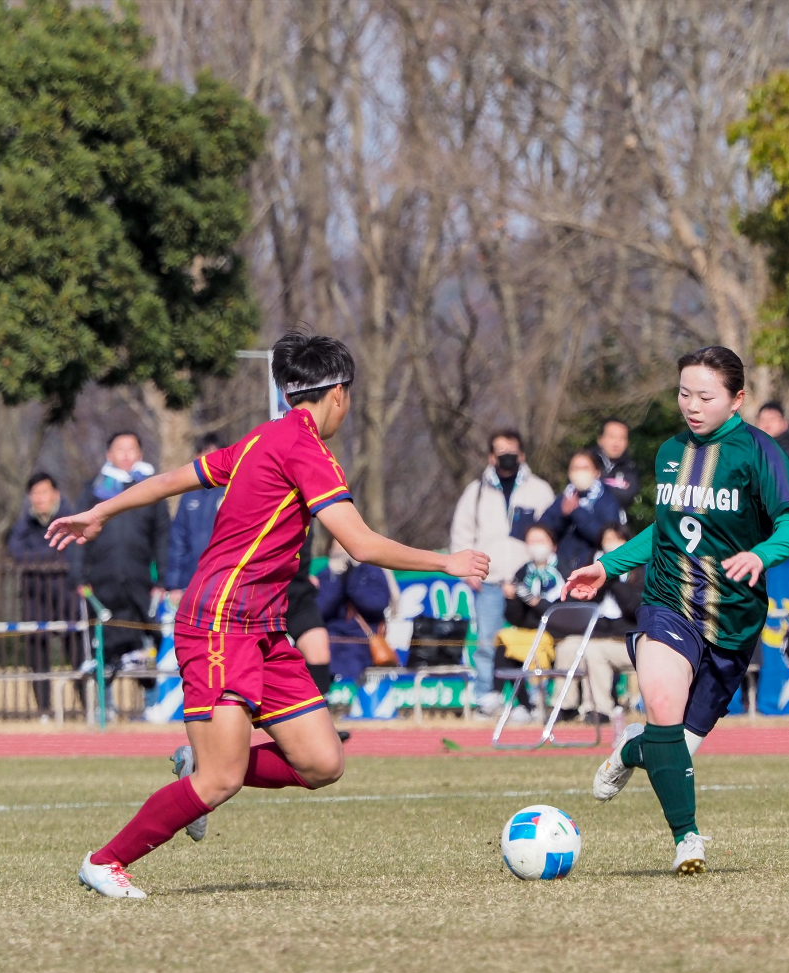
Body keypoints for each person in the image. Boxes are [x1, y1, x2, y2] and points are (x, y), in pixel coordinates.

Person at [49, 330, 489, 899]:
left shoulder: (263, 438)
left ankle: (195, 763)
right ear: (338, 394)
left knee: (323, 762)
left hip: (263, 627)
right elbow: (359, 543)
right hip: (217, 623)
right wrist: (445, 561)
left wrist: (101, 510)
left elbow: (171, 479)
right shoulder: (305, 449)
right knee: (221, 778)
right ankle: (106, 861)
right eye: (348, 397)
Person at [563, 345, 789, 875]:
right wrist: (606, 565)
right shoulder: (671, 451)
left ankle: (633, 749)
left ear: (737, 400)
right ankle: (687, 840)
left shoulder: (760, 453)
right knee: (664, 703)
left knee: (676, 748)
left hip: (733, 621)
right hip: (669, 602)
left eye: (706, 396)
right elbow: (666, 532)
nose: (691, 405)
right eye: (684, 393)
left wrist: (759, 555)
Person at [449, 430, 555, 715]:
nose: (506, 454)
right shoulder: (476, 491)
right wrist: (467, 571)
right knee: (487, 641)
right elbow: (461, 534)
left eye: (511, 449)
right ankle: (487, 697)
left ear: (521, 454)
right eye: (500, 449)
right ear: (491, 456)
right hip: (490, 580)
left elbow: (551, 531)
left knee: (531, 642)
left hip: (529, 581)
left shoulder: (540, 489)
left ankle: (534, 700)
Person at [77, 431, 170, 677]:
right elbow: (79, 535)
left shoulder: (153, 487)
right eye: (120, 448)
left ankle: (151, 702)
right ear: (109, 454)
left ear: (140, 453)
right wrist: (78, 575)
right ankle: (104, 705)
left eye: (132, 449)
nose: (126, 454)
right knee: (104, 643)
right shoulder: (94, 490)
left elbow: (162, 535)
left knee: (148, 639)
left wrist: (163, 578)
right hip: (102, 579)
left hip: (140, 578)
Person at [7, 473, 84, 717]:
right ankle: (43, 709)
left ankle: (87, 705)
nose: (40, 498)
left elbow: (74, 553)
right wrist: (51, 555)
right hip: (33, 596)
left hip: (67, 595)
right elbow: (16, 553)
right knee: (36, 652)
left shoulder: (71, 518)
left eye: (44, 492)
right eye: (35, 494)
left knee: (77, 651)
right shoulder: (23, 525)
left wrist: (38, 558)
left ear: (56, 494)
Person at [551, 524, 643, 724]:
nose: (611, 544)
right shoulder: (594, 565)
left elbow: (634, 609)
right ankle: (564, 706)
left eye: (616, 539)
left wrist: (613, 578)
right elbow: (589, 607)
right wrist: (600, 579)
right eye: (607, 539)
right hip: (600, 636)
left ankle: (599, 709)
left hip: (629, 641)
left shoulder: (641, 570)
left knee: (593, 651)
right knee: (568, 647)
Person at [497, 524, 566, 718]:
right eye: (532, 541)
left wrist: (535, 601)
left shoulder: (564, 569)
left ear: (553, 545)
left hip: (556, 631)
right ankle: (521, 704)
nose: (536, 546)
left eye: (541, 541)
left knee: (538, 646)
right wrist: (511, 599)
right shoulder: (522, 572)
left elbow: (561, 611)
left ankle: (543, 703)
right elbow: (515, 618)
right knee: (504, 640)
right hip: (529, 630)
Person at [315, 540, 391, 684]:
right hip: (329, 641)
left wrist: (352, 580)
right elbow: (320, 608)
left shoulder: (371, 572)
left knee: (351, 662)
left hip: (363, 642)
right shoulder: (325, 575)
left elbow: (377, 604)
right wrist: (337, 580)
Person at [538, 450, 625, 573]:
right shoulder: (564, 498)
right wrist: (563, 516)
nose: (580, 472)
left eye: (585, 468)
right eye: (575, 468)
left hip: (594, 567)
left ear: (596, 472)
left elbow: (607, 537)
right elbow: (544, 528)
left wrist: (577, 512)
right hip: (562, 566)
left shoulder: (607, 500)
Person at [165, 433, 225, 596]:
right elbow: (178, 541)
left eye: (213, 454)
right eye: (203, 454)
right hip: (191, 579)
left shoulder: (233, 491)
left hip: (225, 579)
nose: (208, 460)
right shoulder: (189, 496)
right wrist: (174, 584)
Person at [755, 401, 789, 512]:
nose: (767, 424)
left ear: (784, 423)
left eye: (772, 419)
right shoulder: (753, 452)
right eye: (763, 420)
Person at [589, 418, 641, 512]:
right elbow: (579, 490)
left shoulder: (630, 466)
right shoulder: (587, 462)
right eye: (612, 437)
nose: (616, 443)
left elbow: (628, 496)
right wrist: (615, 487)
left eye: (621, 438)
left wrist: (596, 485)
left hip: (617, 524)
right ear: (600, 439)